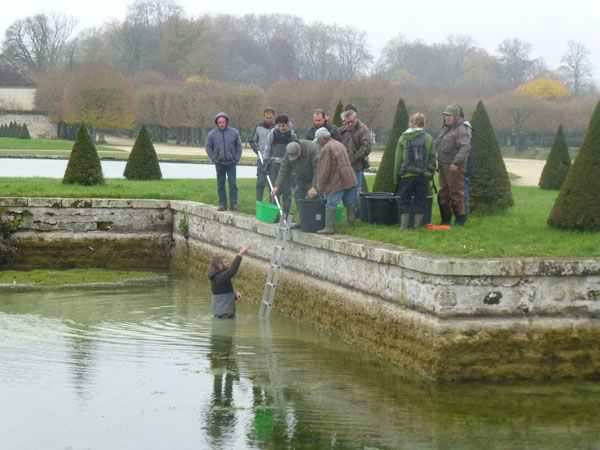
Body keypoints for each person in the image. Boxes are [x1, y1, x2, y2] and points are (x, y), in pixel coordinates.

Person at [393, 113, 437, 230]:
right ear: (424, 124)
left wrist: (396, 178)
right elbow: (433, 157)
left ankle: (403, 228)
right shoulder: (428, 138)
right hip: (423, 175)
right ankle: (416, 228)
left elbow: (398, 159)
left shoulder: (404, 137)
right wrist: (430, 173)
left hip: (407, 175)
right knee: (420, 201)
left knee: (404, 200)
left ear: (411, 122)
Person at [315, 127, 357, 234]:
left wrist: (320, 185)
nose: (318, 142)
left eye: (318, 140)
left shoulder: (327, 148)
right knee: (349, 202)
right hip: (349, 177)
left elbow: (324, 169)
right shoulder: (339, 144)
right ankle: (351, 224)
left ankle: (329, 228)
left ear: (321, 138)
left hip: (337, 180)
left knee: (331, 203)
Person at [435, 104, 472, 226]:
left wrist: (456, 163)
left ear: (455, 116)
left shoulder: (461, 129)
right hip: (443, 166)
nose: (447, 118)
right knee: (443, 194)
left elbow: (465, 147)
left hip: (454, 167)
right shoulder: (446, 129)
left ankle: (459, 220)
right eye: (445, 115)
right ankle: (445, 220)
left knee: (456, 194)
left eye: (449, 116)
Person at [271, 140, 320, 229]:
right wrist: (277, 186)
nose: (295, 158)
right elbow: (283, 170)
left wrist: (314, 186)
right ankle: (300, 221)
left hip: (315, 178)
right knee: (298, 197)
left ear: (300, 149)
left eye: (296, 155)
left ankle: (316, 223)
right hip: (301, 178)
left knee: (316, 200)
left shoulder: (311, 148)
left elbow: (317, 169)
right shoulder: (289, 152)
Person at [205, 112, 243, 211]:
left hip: (231, 163)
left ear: (227, 122)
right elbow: (208, 147)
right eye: (220, 122)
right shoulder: (212, 134)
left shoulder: (234, 132)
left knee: (233, 184)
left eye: (223, 122)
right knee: (220, 184)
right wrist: (214, 159)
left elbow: (239, 146)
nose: (222, 124)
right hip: (219, 163)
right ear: (217, 123)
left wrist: (236, 158)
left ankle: (234, 204)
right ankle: (222, 204)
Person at [264, 115, 297, 213]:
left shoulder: (292, 135)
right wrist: (266, 162)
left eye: (283, 126)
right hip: (274, 164)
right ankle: (274, 214)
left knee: (287, 190)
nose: (281, 128)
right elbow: (267, 148)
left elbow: (295, 150)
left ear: (287, 124)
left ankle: (286, 214)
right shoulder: (273, 133)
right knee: (274, 189)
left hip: (288, 166)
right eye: (279, 126)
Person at [208, 244, 251, 318]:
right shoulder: (219, 277)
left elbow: (221, 293)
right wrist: (241, 253)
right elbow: (232, 270)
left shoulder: (218, 277)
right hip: (224, 316)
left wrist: (234, 296)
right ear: (220, 266)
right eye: (225, 262)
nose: (228, 263)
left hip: (223, 314)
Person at [339, 109, 372, 202]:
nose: (350, 124)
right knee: (345, 190)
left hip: (356, 165)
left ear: (356, 118)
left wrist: (353, 158)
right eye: (347, 122)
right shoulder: (342, 129)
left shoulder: (363, 129)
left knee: (354, 190)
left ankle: (355, 213)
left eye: (352, 122)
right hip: (344, 165)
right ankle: (350, 209)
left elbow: (367, 147)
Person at [249, 107, 276, 202]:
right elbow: (252, 140)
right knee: (260, 182)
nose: (269, 120)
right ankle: (259, 202)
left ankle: (272, 204)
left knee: (272, 184)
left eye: (271, 117)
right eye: (267, 118)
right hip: (262, 159)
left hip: (274, 159)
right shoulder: (259, 127)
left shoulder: (278, 127)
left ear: (274, 116)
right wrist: (257, 150)